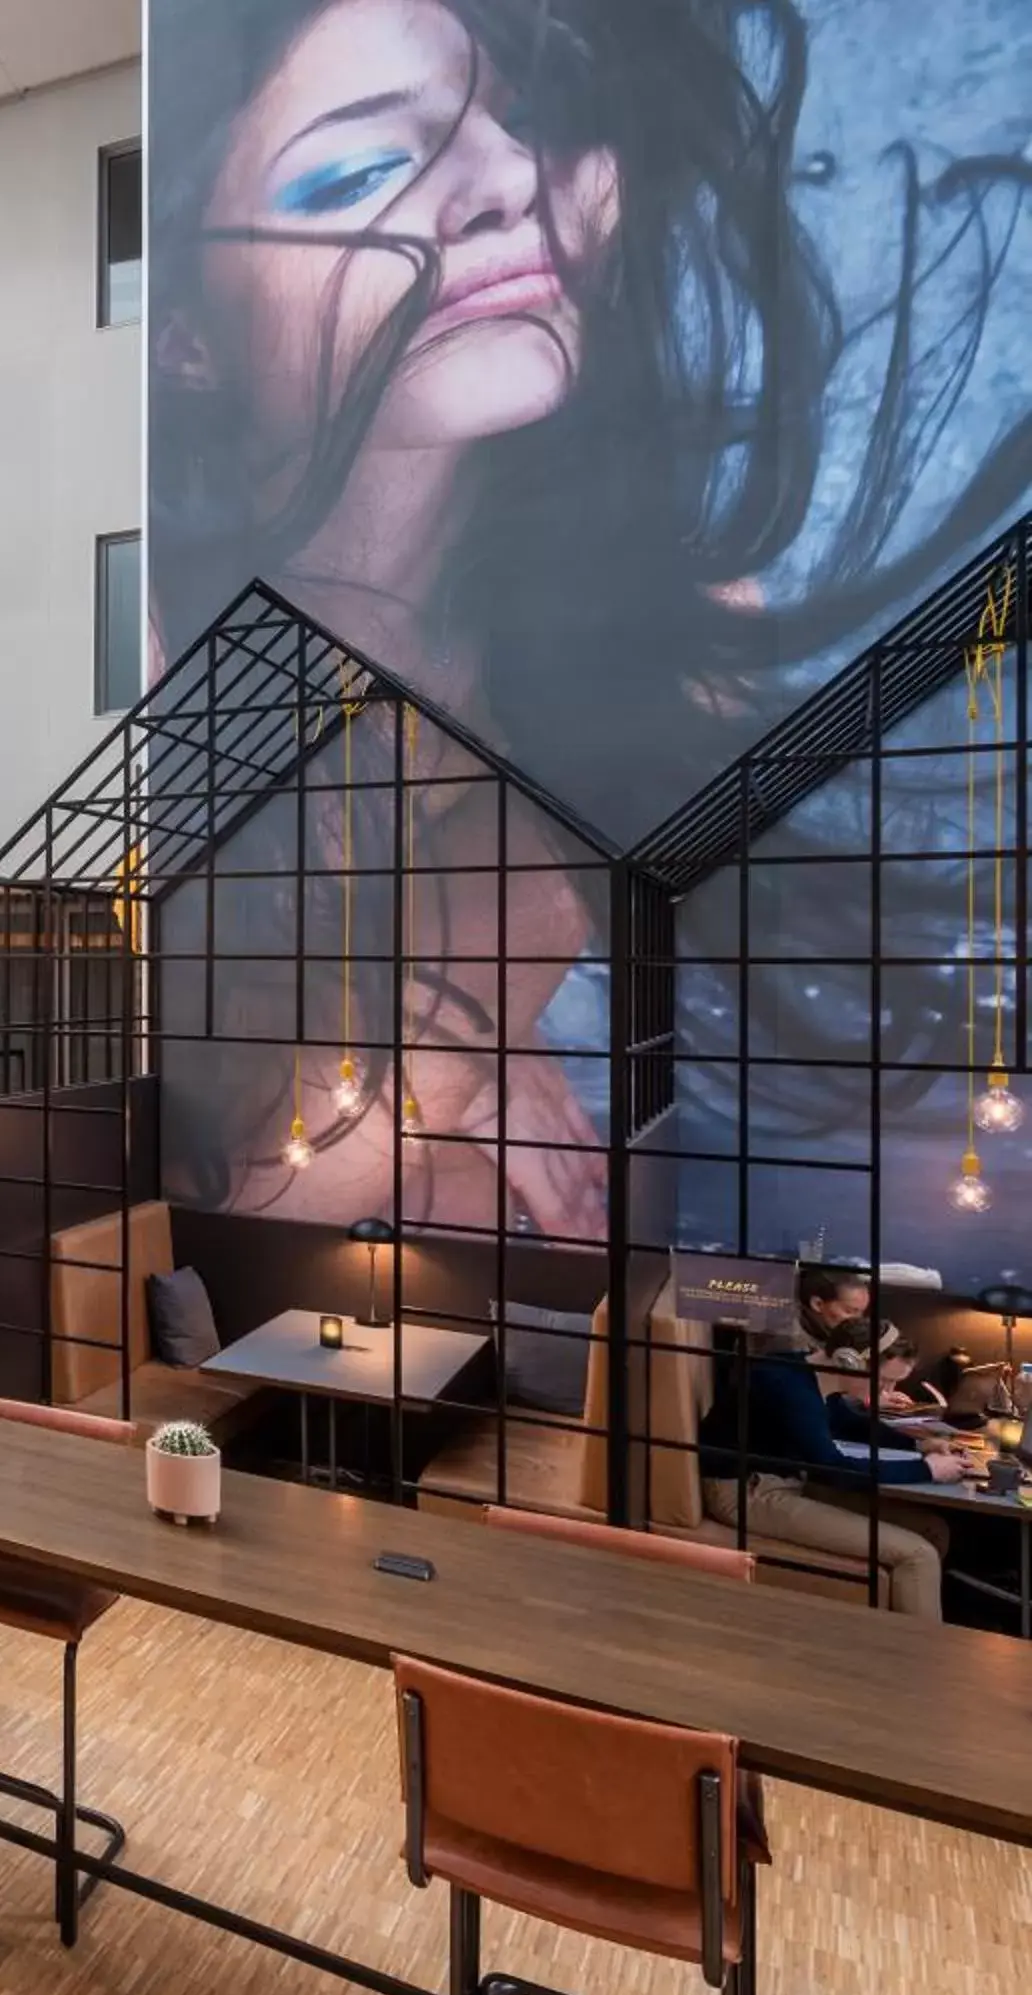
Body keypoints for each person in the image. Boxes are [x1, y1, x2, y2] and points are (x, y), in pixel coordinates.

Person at [146, 0, 1032, 1259]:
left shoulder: (654, 645)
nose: (506, 182)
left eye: (516, 121)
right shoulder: (170, 655)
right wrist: (469, 1055)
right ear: (181, 334)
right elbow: (242, 1191)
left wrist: (463, 1045)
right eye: (366, 166)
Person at [700, 1288, 962, 1619]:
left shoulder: (809, 1373)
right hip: (746, 1492)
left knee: (933, 1529)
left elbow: (846, 1422)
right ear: (849, 1361)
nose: (888, 1393)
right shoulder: (789, 1389)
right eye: (884, 1382)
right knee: (918, 1554)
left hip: (783, 1480)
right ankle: (923, 1662)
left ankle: (891, 1633)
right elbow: (832, 1467)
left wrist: (918, 1445)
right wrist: (927, 1470)